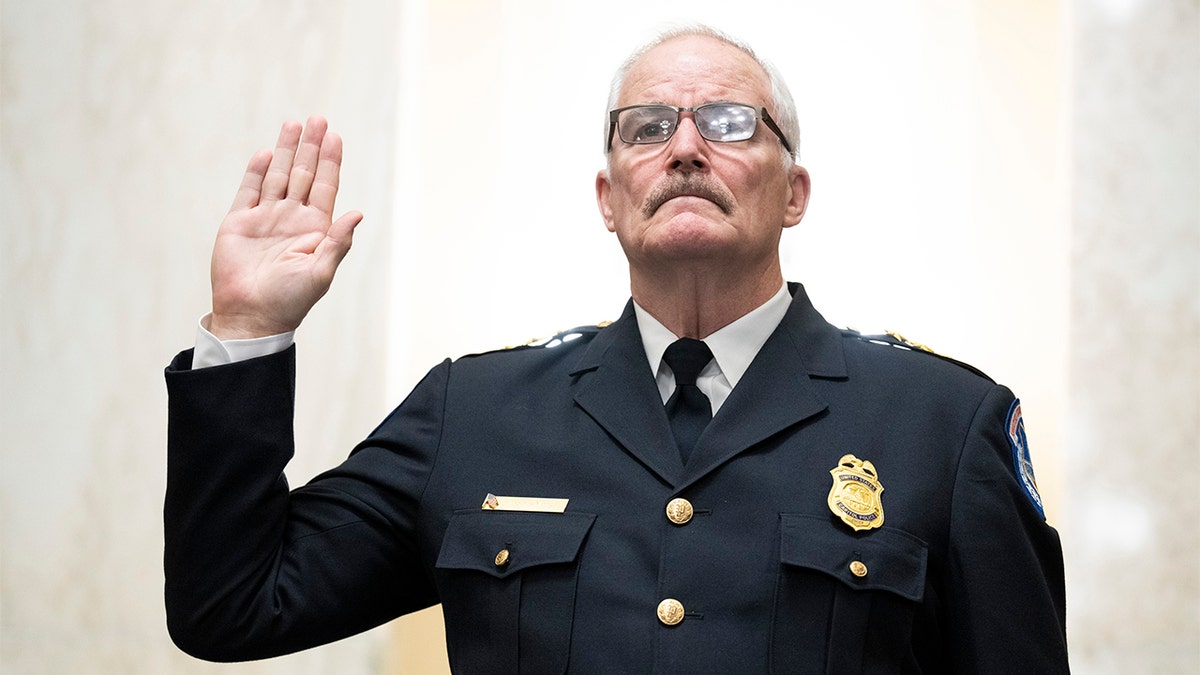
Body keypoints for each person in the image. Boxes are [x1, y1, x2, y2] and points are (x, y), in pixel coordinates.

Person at [164, 25, 1069, 673]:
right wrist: (247, 330)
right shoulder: (473, 412)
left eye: (727, 123)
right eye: (647, 127)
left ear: (794, 192)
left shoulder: (945, 425)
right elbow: (233, 607)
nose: (683, 148)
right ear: (608, 197)